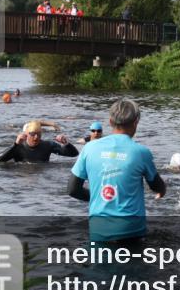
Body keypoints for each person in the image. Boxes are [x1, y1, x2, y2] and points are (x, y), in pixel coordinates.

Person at [67, 99, 166, 244]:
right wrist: (162, 190)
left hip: (99, 230)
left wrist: (98, 197)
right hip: (132, 231)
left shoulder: (89, 148)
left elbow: (72, 189)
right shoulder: (141, 152)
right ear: (136, 121)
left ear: (110, 121)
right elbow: (156, 186)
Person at [0, 121, 78, 163]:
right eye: (32, 134)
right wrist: (15, 145)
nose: (36, 137)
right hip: (22, 177)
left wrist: (66, 144)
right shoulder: (18, 147)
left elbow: (74, 154)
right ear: (26, 134)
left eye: (38, 134)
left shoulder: (48, 145)